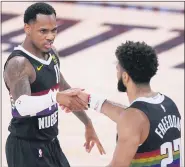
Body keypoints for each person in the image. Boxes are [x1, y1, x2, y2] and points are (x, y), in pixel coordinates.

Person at [3, 2, 105, 167]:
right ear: (27, 28)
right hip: (26, 148)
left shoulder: (52, 53)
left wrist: (87, 123)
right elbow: (22, 106)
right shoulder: (19, 63)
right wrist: (56, 97)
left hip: (51, 143)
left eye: (53, 30)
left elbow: (63, 87)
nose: (50, 36)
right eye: (43, 31)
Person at [67, 41, 181, 167]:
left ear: (125, 77)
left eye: (118, 70)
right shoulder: (168, 104)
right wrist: (88, 99)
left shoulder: (133, 118)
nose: (117, 74)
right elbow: (131, 117)